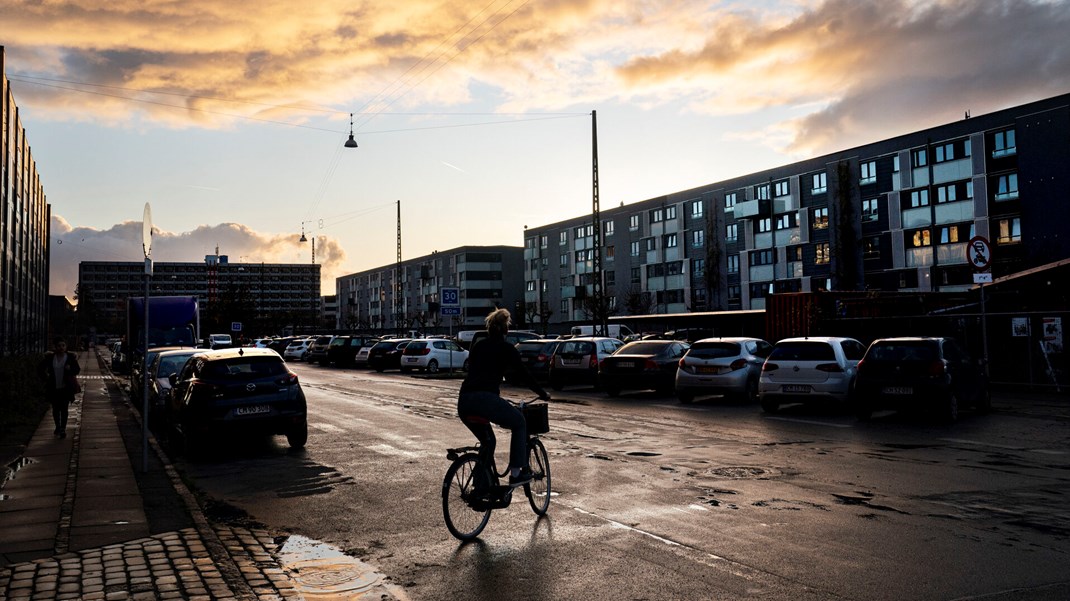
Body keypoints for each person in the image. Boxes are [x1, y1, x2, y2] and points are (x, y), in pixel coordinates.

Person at [458, 308, 550, 487]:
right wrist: (542, 394)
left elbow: (475, 370)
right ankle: (516, 474)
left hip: (464, 400)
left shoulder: (478, 346)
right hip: (485, 399)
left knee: (488, 442)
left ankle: (481, 487)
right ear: (506, 329)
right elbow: (524, 375)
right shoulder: (507, 349)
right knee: (519, 422)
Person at [38, 337, 81, 438]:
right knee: (55, 409)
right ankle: (57, 426)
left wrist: (70, 369)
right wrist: (46, 378)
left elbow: (77, 370)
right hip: (54, 387)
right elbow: (40, 368)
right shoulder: (50, 358)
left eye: (63, 345)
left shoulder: (70, 358)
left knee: (64, 409)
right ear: (55, 347)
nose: (61, 348)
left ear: (66, 347)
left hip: (65, 388)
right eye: (59, 346)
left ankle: (63, 429)